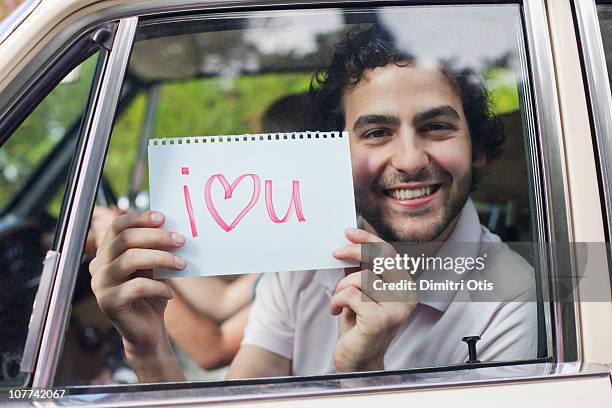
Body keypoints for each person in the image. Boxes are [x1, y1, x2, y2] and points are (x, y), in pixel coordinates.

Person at [89, 26, 536, 382]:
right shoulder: (302, 261)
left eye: (437, 126)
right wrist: (146, 347)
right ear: (332, 154)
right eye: (376, 133)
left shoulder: (517, 297)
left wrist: (364, 375)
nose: (410, 160)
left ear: (476, 147)